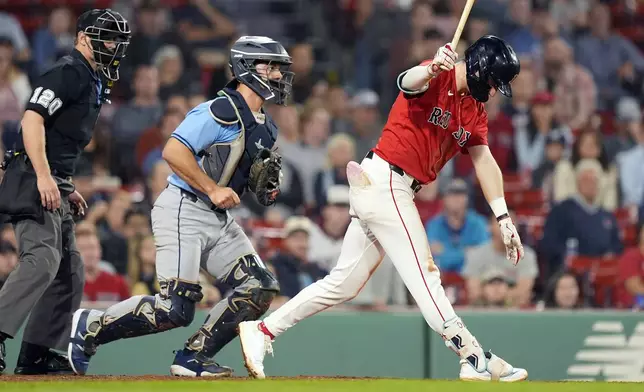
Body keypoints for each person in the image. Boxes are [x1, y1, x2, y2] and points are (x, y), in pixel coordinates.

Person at [238, 35, 528, 382]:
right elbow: (407, 82)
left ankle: (263, 331)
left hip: (392, 188)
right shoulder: (438, 74)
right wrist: (432, 67)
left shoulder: (475, 110)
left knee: (342, 283)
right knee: (425, 273)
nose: (495, 92)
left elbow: (485, 161)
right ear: (480, 69)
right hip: (387, 180)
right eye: (494, 83)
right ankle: (472, 355)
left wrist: (503, 216)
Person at [68, 36, 293, 378]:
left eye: (280, 68)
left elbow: (243, 178)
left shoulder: (266, 125)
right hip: (183, 207)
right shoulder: (220, 109)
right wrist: (213, 188)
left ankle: (193, 357)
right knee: (174, 308)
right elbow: (173, 151)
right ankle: (91, 326)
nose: (278, 75)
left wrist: (265, 190)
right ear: (247, 68)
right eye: (271, 67)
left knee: (259, 286)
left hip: (217, 217)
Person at [0, 9, 130, 375]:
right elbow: (32, 119)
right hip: (32, 177)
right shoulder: (68, 71)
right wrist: (44, 175)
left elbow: (60, 140)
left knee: (69, 271)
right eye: (108, 39)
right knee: (41, 259)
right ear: (84, 38)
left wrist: (64, 185)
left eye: (118, 41)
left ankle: (36, 354)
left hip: (55, 180)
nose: (115, 48)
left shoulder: (90, 78)